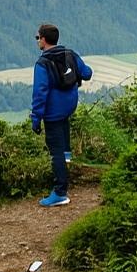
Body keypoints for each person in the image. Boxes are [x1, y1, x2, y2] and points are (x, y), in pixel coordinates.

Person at [29, 22, 92, 207]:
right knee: (63, 146)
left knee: (54, 150)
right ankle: (67, 160)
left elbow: (40, 93)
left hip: (53, 112)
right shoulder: (70, 54)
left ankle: (60, 192)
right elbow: (87, 73)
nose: (37, 41)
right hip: (69, 107)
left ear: (44, 39)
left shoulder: (42, 64)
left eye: (37, 37)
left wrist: (36, 118)